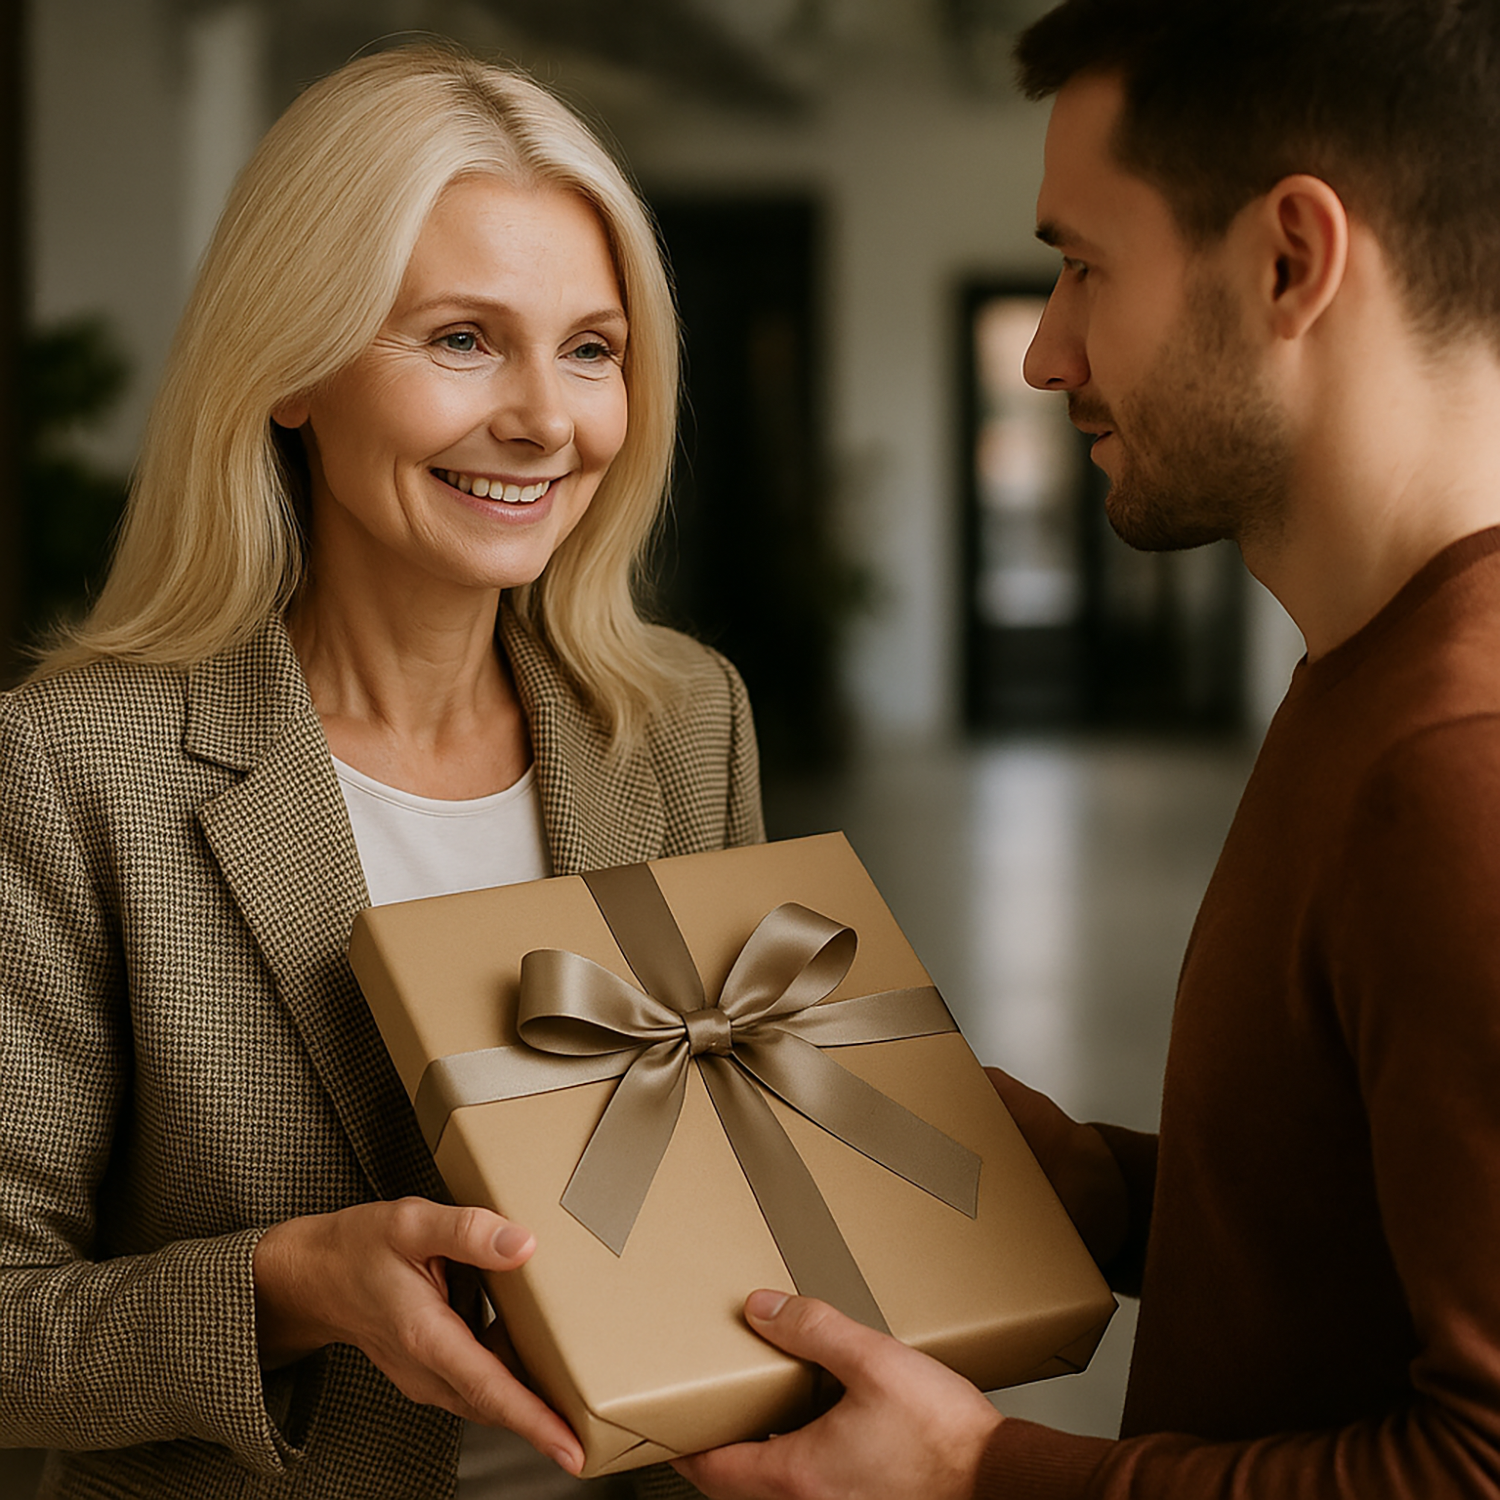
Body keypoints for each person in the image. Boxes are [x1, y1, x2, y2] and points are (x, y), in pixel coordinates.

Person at [672, 1, 1500, 1496]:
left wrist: (975, 1475)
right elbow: (1389, 1231)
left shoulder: (1460, 761)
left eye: (1082, 265)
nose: (1049, 353)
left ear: (1290, 263)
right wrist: (1110, 1199)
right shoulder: (1376, 673)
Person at [0, 42, 762, 1500]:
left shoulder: (680, 727)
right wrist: (297, 1283)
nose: (547, 418)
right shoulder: (70, 773)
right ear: (290, 366)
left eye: (592, 347)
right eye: (463, 339)